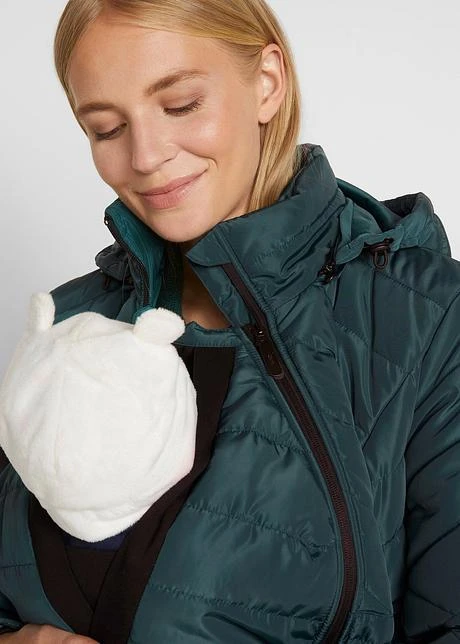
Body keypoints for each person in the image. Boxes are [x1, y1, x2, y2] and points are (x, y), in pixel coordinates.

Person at [0, 0, 459, 642]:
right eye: (106, 128)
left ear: (267, 82)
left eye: (181, 104)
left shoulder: (427, 319)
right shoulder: (70, 325)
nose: (145, 155)